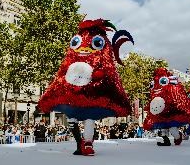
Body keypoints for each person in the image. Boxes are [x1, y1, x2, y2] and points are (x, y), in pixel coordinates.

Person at [38, 19, 134, 156]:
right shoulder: (70, 60)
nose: (84, 48)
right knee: (72, 120)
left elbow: (108, 77)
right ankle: (79, 144)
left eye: (95, 43)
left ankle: (87, 143)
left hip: (92, 98)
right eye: (77, 43)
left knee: (89, 119)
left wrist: (99, 76)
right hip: (71, 99)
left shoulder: (103, 62)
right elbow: (60, 77)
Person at [143, 68, 190, 146]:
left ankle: (178, 138)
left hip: (171, 115)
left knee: (173, 129)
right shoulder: (156, 91)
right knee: (163, 130)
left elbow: (177, 98)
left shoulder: (172, 89)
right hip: (162, 116)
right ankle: (166, 141)